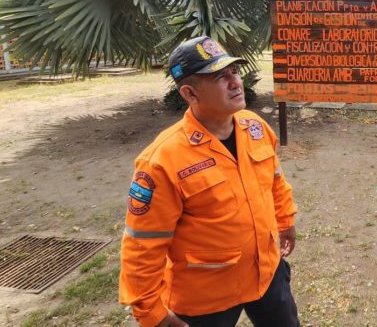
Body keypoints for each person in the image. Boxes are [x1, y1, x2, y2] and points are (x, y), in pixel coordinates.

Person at [119, 36, 300, 327]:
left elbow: (276, 181)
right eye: (220, 77)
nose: (235, 82)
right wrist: (153, 315)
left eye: (234, 72)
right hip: (206, 296)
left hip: (267, 271)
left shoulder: (256, 128)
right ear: (190, 94)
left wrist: (286, 219)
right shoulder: (162, 160)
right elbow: (143, 244)